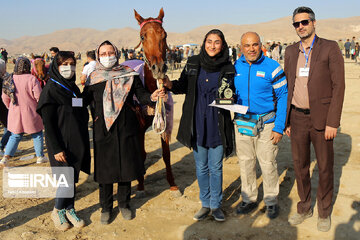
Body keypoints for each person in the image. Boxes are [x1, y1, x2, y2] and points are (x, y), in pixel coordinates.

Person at [82, 40, 165, 225]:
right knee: (105, 170)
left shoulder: (129, 74)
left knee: (125, 167)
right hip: (103, 129)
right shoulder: (93, 77)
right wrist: (65, 102)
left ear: (116, 53)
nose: (107, 56)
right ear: (97, 56)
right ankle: (105, 207)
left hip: (127, 127)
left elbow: (142, 95)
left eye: (110, 52)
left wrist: (152, 97)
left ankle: (124, 204)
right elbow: (82, 100)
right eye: (103, 53)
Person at [161, 29, 235, 222]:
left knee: (216, 167)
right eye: (209, 41)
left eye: (216, 42)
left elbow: (233, 93)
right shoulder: (193, 63)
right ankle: (205, 203)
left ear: (222, 45)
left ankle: (216, 205)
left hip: (217, 123)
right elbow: (182, 86)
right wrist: (169, 84)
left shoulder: (228, 67)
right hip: (196, 123)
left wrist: (234, 98)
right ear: (204, 43)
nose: (212, 45)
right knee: (201, 167)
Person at [284, 6, 345, 232]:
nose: (300, 26)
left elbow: (339, 86)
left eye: (304, 22)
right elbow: (288, 87)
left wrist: (332, 122)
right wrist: (287, 120)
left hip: (322, 119)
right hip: (297, 118)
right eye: (296, 24)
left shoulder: (329, 48)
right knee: (300, 166)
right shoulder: (290, 51)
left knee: (325, 166)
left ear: (314, 23)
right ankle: (304, 207)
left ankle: (324, 212)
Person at [233, 32, 288, 219]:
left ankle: (271, 201)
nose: (251, 49)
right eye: (247, 45)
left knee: (268, 163)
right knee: (246, 163)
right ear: (241, 47)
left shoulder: (273, 67)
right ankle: (249, 199)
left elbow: (283, 97)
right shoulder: (235, 67)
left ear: (261, 45)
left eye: (255, 45)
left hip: (267, 124)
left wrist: (279, 126)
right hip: (242, 124)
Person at [37, 51, 90, 230]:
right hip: (59, 144)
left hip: (75, 141)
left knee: (72, 177)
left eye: (72, 64)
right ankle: (57, 210)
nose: (69, 68)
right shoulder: (50, 90)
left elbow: (78, 106)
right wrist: (57, 148)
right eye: (64, 64)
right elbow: (49, 124)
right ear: (56, 66)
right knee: (65, 179)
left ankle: (70, 209)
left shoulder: (72, 88)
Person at [0, 57, 47, 166]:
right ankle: (40, 156)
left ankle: (5, 158)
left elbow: (4, 97)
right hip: (31, 112)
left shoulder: (9, 78)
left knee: (15, 135)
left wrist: (10, 107)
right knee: (37, 134)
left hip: (15, 111)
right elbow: (38, 96)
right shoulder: (32, 79)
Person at [0, 59, 11, 155]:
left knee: (7, 127)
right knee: (9, 126)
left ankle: (8, 147)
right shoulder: (3, 80)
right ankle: (2, 146)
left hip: (3, 107)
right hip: (2, 107)